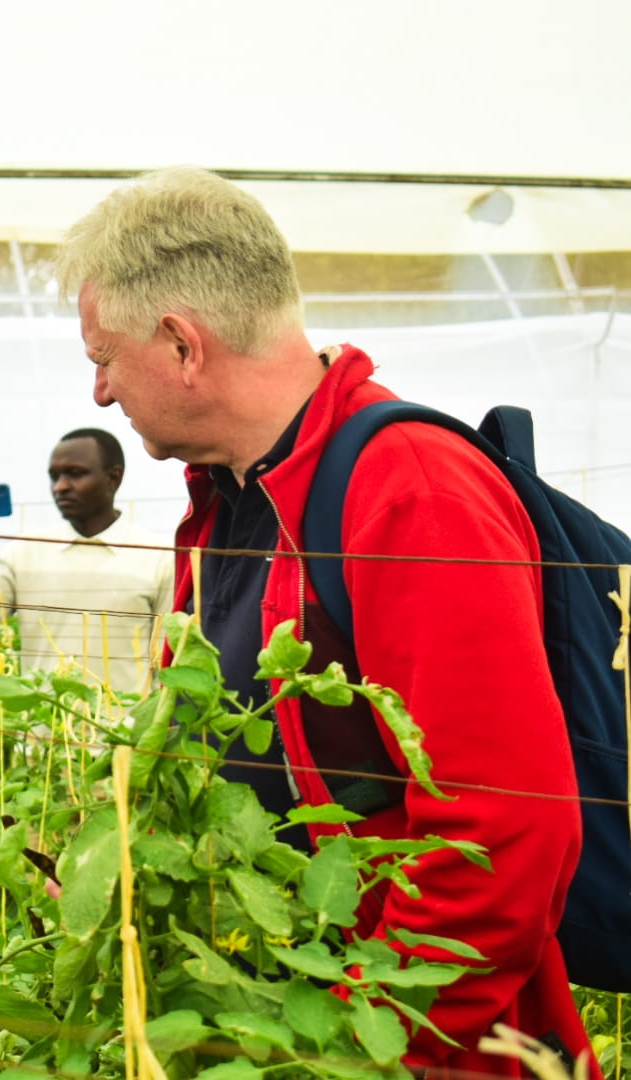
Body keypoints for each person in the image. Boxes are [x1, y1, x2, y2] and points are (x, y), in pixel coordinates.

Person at [57, 167, 596, 1078]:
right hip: (278, 1019)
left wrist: (349, 1045)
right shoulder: (230, 503)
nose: (101, 393)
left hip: (414, 1049)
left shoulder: (409, 490)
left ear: (182, 344)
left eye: (102, 358)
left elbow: (506, 833)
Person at [0, 428, 174, 694]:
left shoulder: (157, 557)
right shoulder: (24, 554)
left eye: (75, 473)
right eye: (54, 476)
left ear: (112, 479)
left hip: (124, 733)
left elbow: (165, 663)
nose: (61, 486)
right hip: (43, 733)